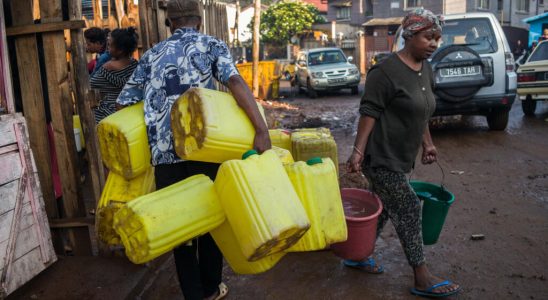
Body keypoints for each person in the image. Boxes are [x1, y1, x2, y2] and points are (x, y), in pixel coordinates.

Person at [116, 0, 270, 299]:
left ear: (169, 23)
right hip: (205, 150)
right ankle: (212, 287)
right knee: (212, 218)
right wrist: (261, 130)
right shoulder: (211, 45)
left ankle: (193, 294)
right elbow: (235, 82)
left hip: (163, 155)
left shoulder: (151, 54)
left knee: (181, 227)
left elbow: (125, 102)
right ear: (200, 21)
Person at [345, 8, 461, 298]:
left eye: (437, 38)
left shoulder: (426, 69)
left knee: (384, 208)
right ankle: (421, 276)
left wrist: (428, 143)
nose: (434, 43)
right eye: (428, 37)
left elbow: (421, 111)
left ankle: (358, 255)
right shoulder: (384, 72)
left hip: (401, 156)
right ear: (409, 36)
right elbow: (369, 112)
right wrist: (358, 151)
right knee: (408, 206)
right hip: (380, 156)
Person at [90, 27, 139, 123]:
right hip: (128, 114)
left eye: (110, 45)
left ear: (120, 50)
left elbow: (91, 84)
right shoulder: (134, 64)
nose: (107, 48)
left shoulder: (108, 68)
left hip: (108, 116)